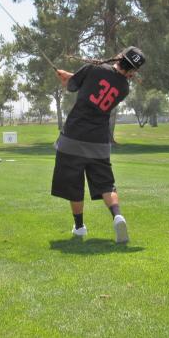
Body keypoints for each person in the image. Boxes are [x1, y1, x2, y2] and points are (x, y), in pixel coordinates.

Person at [52, 46, 145, 243]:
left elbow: (72, 86)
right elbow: (98, 85)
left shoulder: (95, 68)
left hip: (74, 137)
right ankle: (117, 216)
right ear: (132, 71)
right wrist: (72, 75)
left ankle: (79, 227)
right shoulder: (124, 89)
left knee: (74, 185)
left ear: (119, 57)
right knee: (106, 184)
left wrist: (67, 77)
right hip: (99, 142)